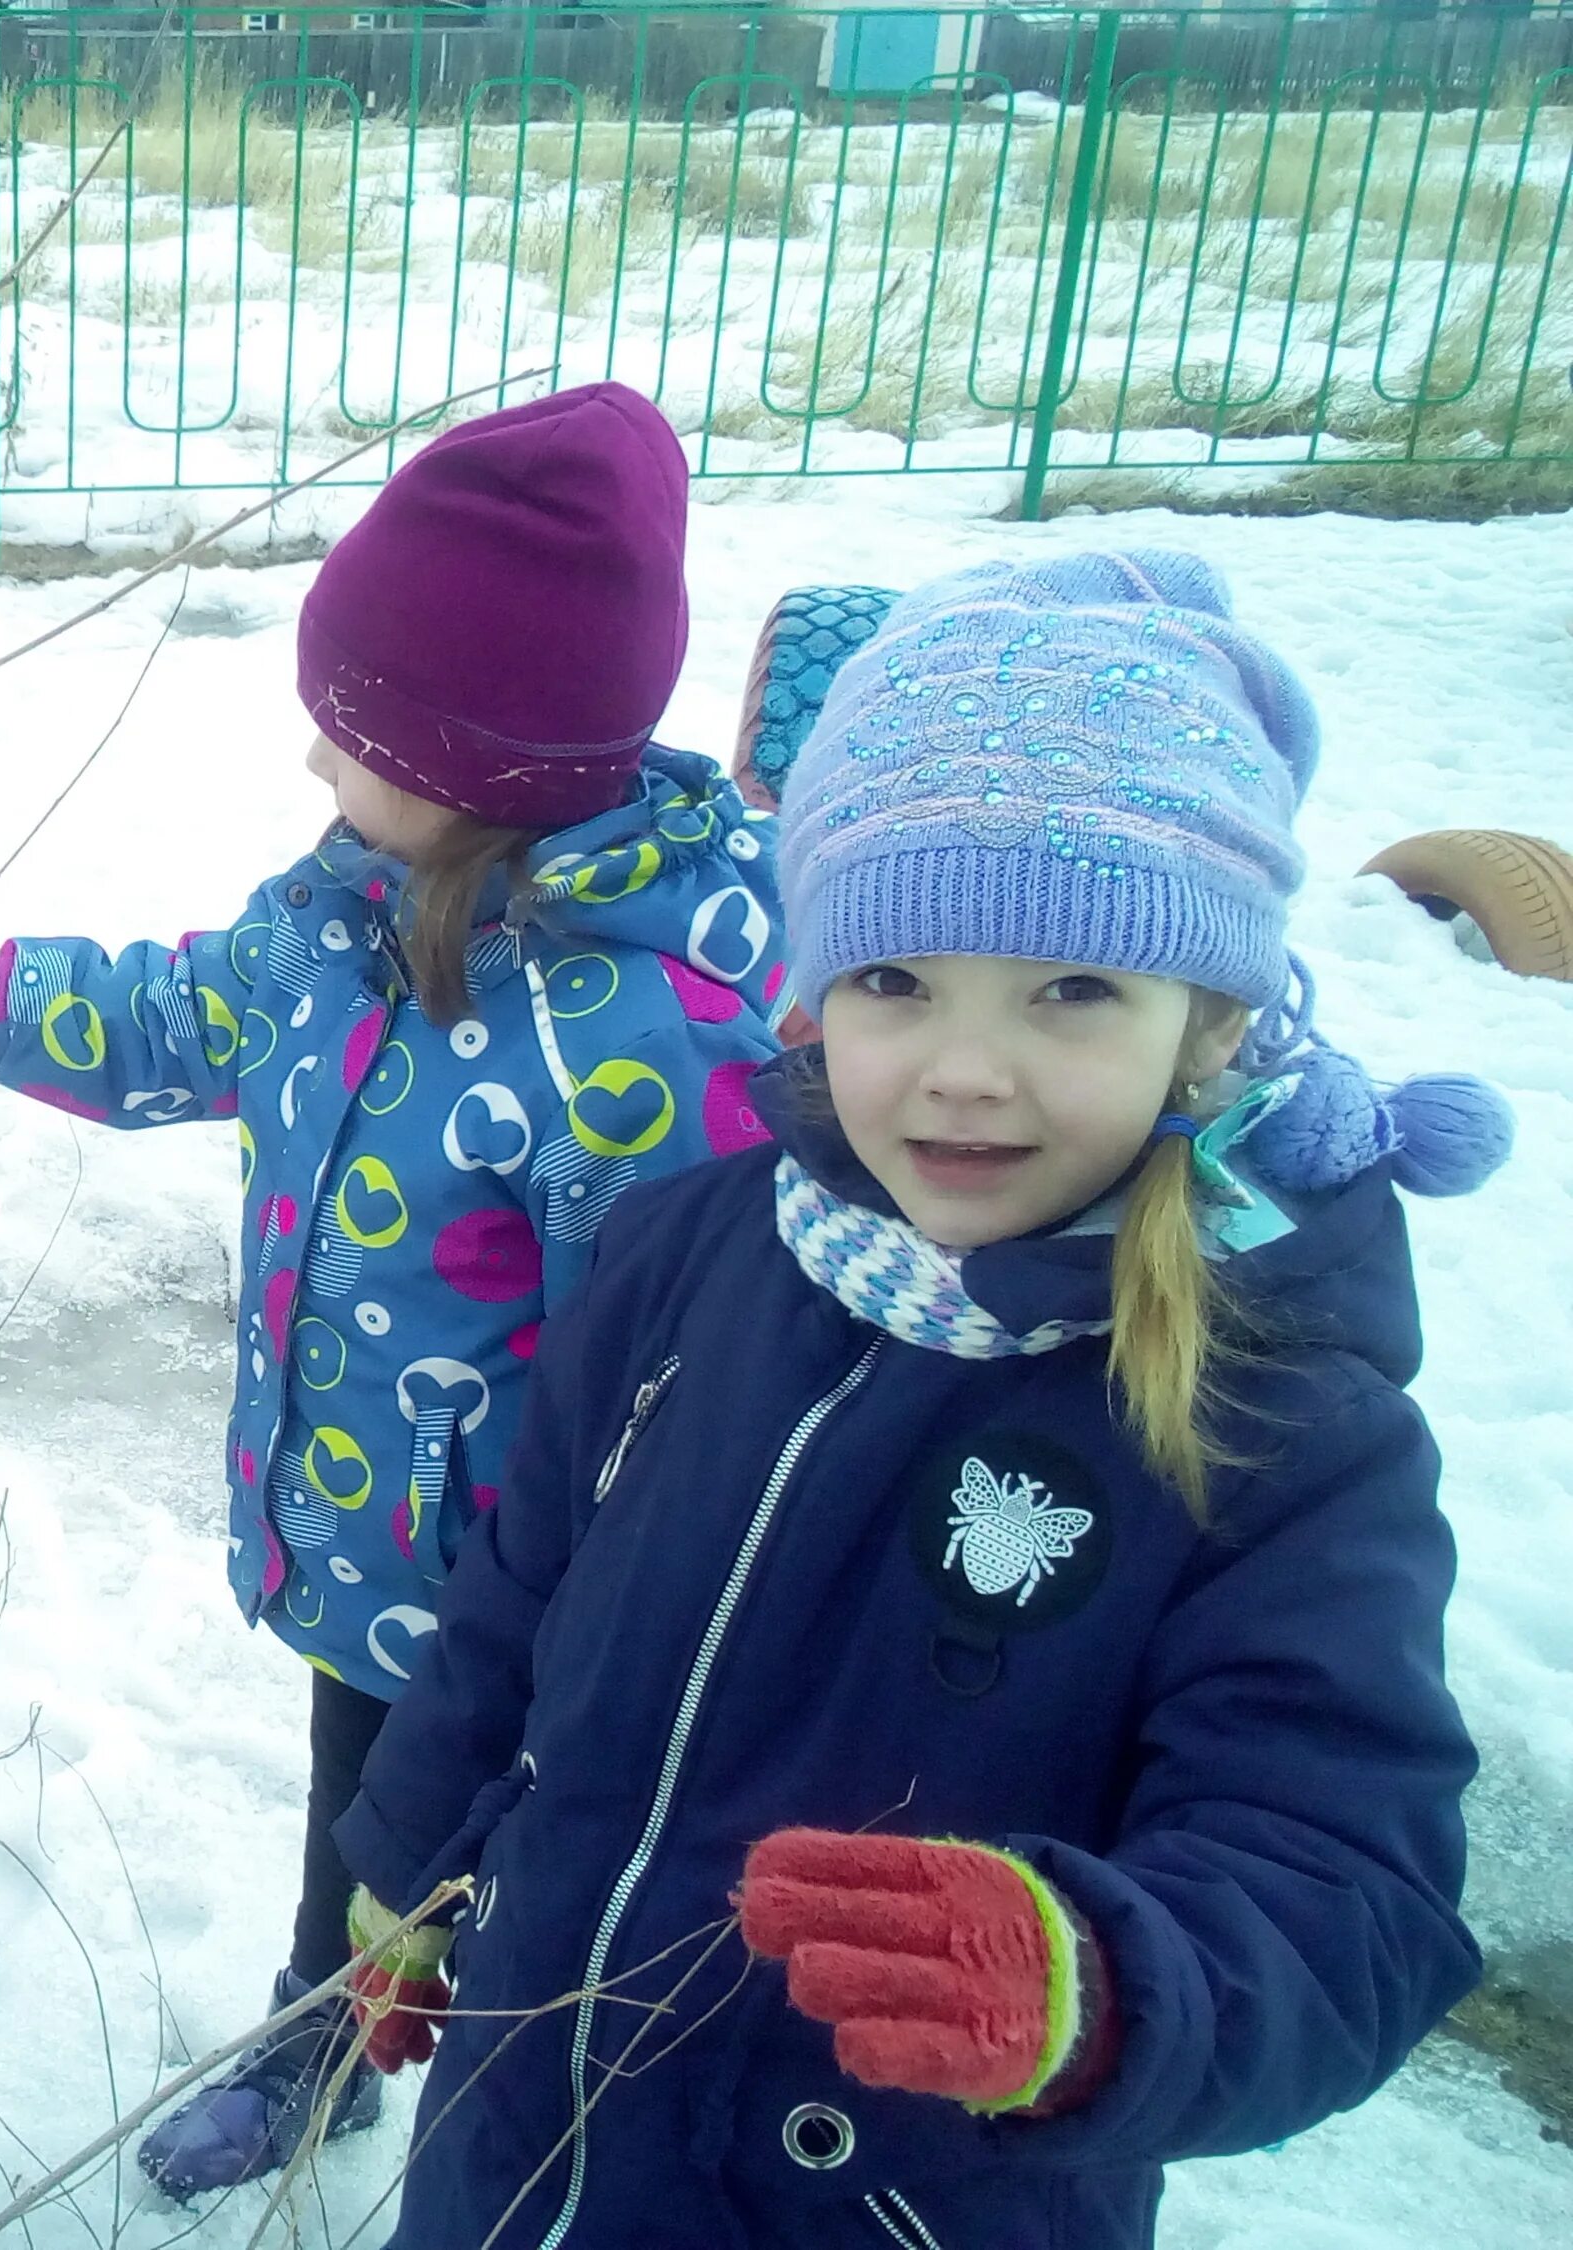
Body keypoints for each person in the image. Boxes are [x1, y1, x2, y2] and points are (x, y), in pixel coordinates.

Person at [333, 551, 1507, 2248]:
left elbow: (1346, 1875)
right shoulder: (692, 1253)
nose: (967, 1067)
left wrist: (1101, 1988)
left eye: (1072, 991)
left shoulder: (1274, 1415)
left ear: (1209, 1021)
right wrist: (415, 1855)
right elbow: (520, 1594)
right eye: (897, 982)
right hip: (525, 2133)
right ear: (819, 990)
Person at [0, 384, 787, 2194]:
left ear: (480, 761)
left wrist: (610, 1621)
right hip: (370, 1568)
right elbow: (189, 1012)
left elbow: (686, 1395)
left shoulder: (650, 1049)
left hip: (553, 1625)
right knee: (358, 1830)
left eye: (348, 731)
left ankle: (542, 2131)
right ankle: (321, 2046)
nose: (316, 767)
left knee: (546, 1900)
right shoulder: (353, 905)